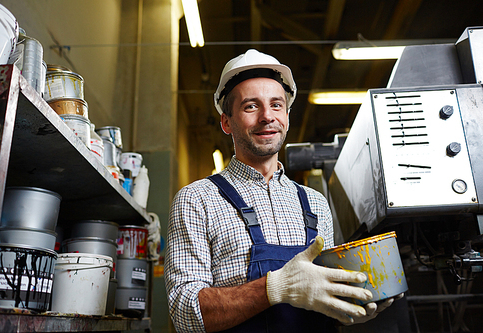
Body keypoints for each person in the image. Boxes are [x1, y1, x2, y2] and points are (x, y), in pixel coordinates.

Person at [164, 49, 401, 333]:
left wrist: (350, 307)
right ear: (227, 122)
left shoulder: (315, 202)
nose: (267, 116)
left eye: (276, 105)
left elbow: (323, 295)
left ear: (287, 116)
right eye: (251, 106)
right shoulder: (197, 199)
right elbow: (184, 312)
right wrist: (276, 287)